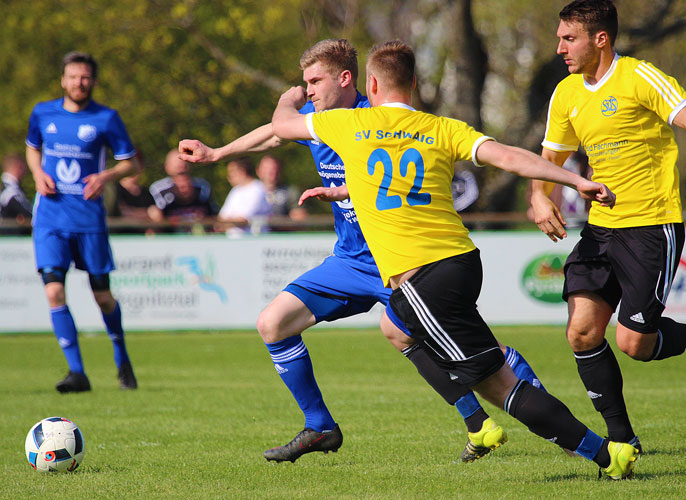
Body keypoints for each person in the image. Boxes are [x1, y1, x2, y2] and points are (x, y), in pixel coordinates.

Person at [272, 39, 638, 479]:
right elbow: (508, 157)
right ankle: (500, 425)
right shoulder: (441, 127)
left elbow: (284, 125)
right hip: (462, 262)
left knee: (498, 385)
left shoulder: (349, 125)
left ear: (370, 84)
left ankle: (605, 455)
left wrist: (286, 99)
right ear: (413, 83)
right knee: (403, 331)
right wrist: (573, 180)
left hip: (423, 279)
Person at [179, 39, 545, 464]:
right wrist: (218, 152)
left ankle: (539, 417)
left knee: (471, 352)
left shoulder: (375, 121)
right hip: (350, 260)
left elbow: (401, 175)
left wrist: (347, 189)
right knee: (273, 324)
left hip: (402, 260)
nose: (309, 90)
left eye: (315, 81)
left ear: (347, 78)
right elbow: (275, 133)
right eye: (306, 83)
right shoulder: (318, 119)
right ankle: (320, 427)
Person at [528, 0, 686, 452]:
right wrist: (538, 197)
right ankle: (622, 441)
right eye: (560, 37)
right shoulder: (566, 92)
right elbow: (551, 159)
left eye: (569, 38)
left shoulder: (638, 76)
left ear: (600, 39)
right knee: (582, 332)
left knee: (635, 343)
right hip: (601, 228)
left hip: (650, 226)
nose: (559, 47)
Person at [25, 51, 140, 393]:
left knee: (103, 297)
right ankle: (77, 373)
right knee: (54, 289)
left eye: (85, 77)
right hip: (50, 217)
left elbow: (131, 164)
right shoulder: (43, 113)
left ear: (94, 81)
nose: (79, 83)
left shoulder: (106, 118)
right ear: (63, 80)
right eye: (74, 76)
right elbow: (32, 147)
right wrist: (36, 172)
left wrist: (105, 176)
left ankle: (122, 357)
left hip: (89, 219)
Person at [148, 149, 218, 228]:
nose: (181, 166)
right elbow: (155, 219)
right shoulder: (158, 190)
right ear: (167, 168)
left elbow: (214, 216)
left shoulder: (203, 187)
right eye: (178, 174)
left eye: (184, 173)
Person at [217, 157, 271, 235]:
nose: (229, 177)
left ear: (242, 172)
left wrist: (226, 223)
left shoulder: (258, 189)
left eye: (231, 172)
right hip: (234, 242)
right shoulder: (235, 190)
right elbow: (220, 219)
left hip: (254, 243)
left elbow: (243, 221)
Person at [256, 154, 307, 222]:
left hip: (282, 232)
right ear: (258, 171)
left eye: (274, 169)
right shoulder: (247, 192)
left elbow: (300, 218)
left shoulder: (290, 192)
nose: (271, 172)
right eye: (266, 169)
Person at [0, 154, 33, 232]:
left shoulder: (9, 188)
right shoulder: (11, 191)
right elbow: (27, 214)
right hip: (11, 237)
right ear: (17, 167)